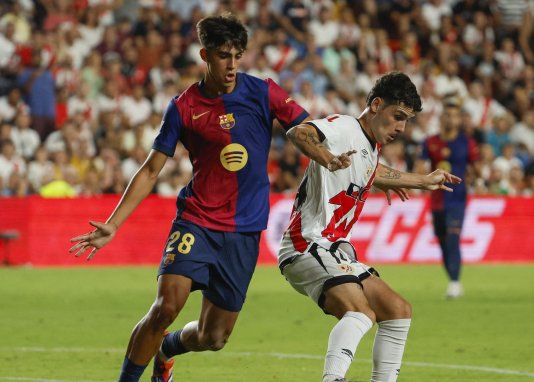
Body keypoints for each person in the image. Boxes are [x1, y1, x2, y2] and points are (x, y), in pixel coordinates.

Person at [68, 15, 310, 382]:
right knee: (166, 307)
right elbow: (151, 170)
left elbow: (309, 130)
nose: (231, 64)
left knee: (215, 337)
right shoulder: (183, 106)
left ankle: (167, 349)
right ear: (205, 55)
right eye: (223, 55)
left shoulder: (263, 92)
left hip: (244, 230)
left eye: (237, 55)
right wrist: (113, 224)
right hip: (196, 221)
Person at [278, 72, 461, 382]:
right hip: (307, 244)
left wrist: (422, 181)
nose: (401, 128)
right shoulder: (345, 128)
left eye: (407, 120)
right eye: (397, 116)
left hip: (335, 249)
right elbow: (299, 134)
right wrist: (328, 159)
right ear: (376, 105)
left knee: (397, 310)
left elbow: (373, 171)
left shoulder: (368, 146)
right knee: (361, 313)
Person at [418, 101, 479, 299]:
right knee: (443, 241)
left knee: (453, 237)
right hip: (436, 199)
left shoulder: (466, 142)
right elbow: (421, 166)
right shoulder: (430, 142)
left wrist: (475, 177)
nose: (450, 119)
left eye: (454, 115)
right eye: (447, 115)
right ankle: (453, 280)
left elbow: (476, 167)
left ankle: (454, 283)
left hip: (458, 198)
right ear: (442, 118)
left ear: (460, 119)